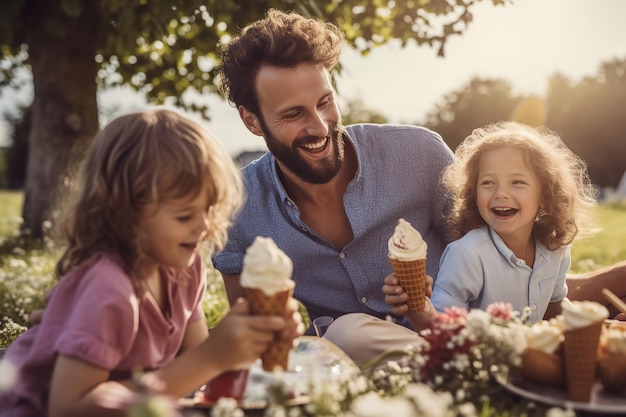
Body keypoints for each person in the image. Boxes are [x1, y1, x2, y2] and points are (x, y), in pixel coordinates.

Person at [212, 9, 626, 364]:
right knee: (349, 333)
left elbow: (501, 263)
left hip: (469, 316)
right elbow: (252, 331)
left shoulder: (416, 152)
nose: (320, 127)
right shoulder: (238, 205)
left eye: (324, 101)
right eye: (293, 114)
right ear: (252, 121)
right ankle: (484, 363)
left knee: (577, 292)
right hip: (363, 347)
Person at [0, 109, 301, 417]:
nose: (204, 226)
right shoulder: (110, 288)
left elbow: (193, 369)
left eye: (209, 209)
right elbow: (67, 407)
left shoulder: (185, 269)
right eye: (184, 215)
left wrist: (245, 344)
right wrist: (211, 358)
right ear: (125, 214)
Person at [410, 121, 598, 329]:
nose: (500, 193)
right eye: (488, 182)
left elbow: (554, 306)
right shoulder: (466, 255)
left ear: (545, 195)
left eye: (517, 182)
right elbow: (442, 326)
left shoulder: (555, 248)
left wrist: (594, 326)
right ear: (473, 193)